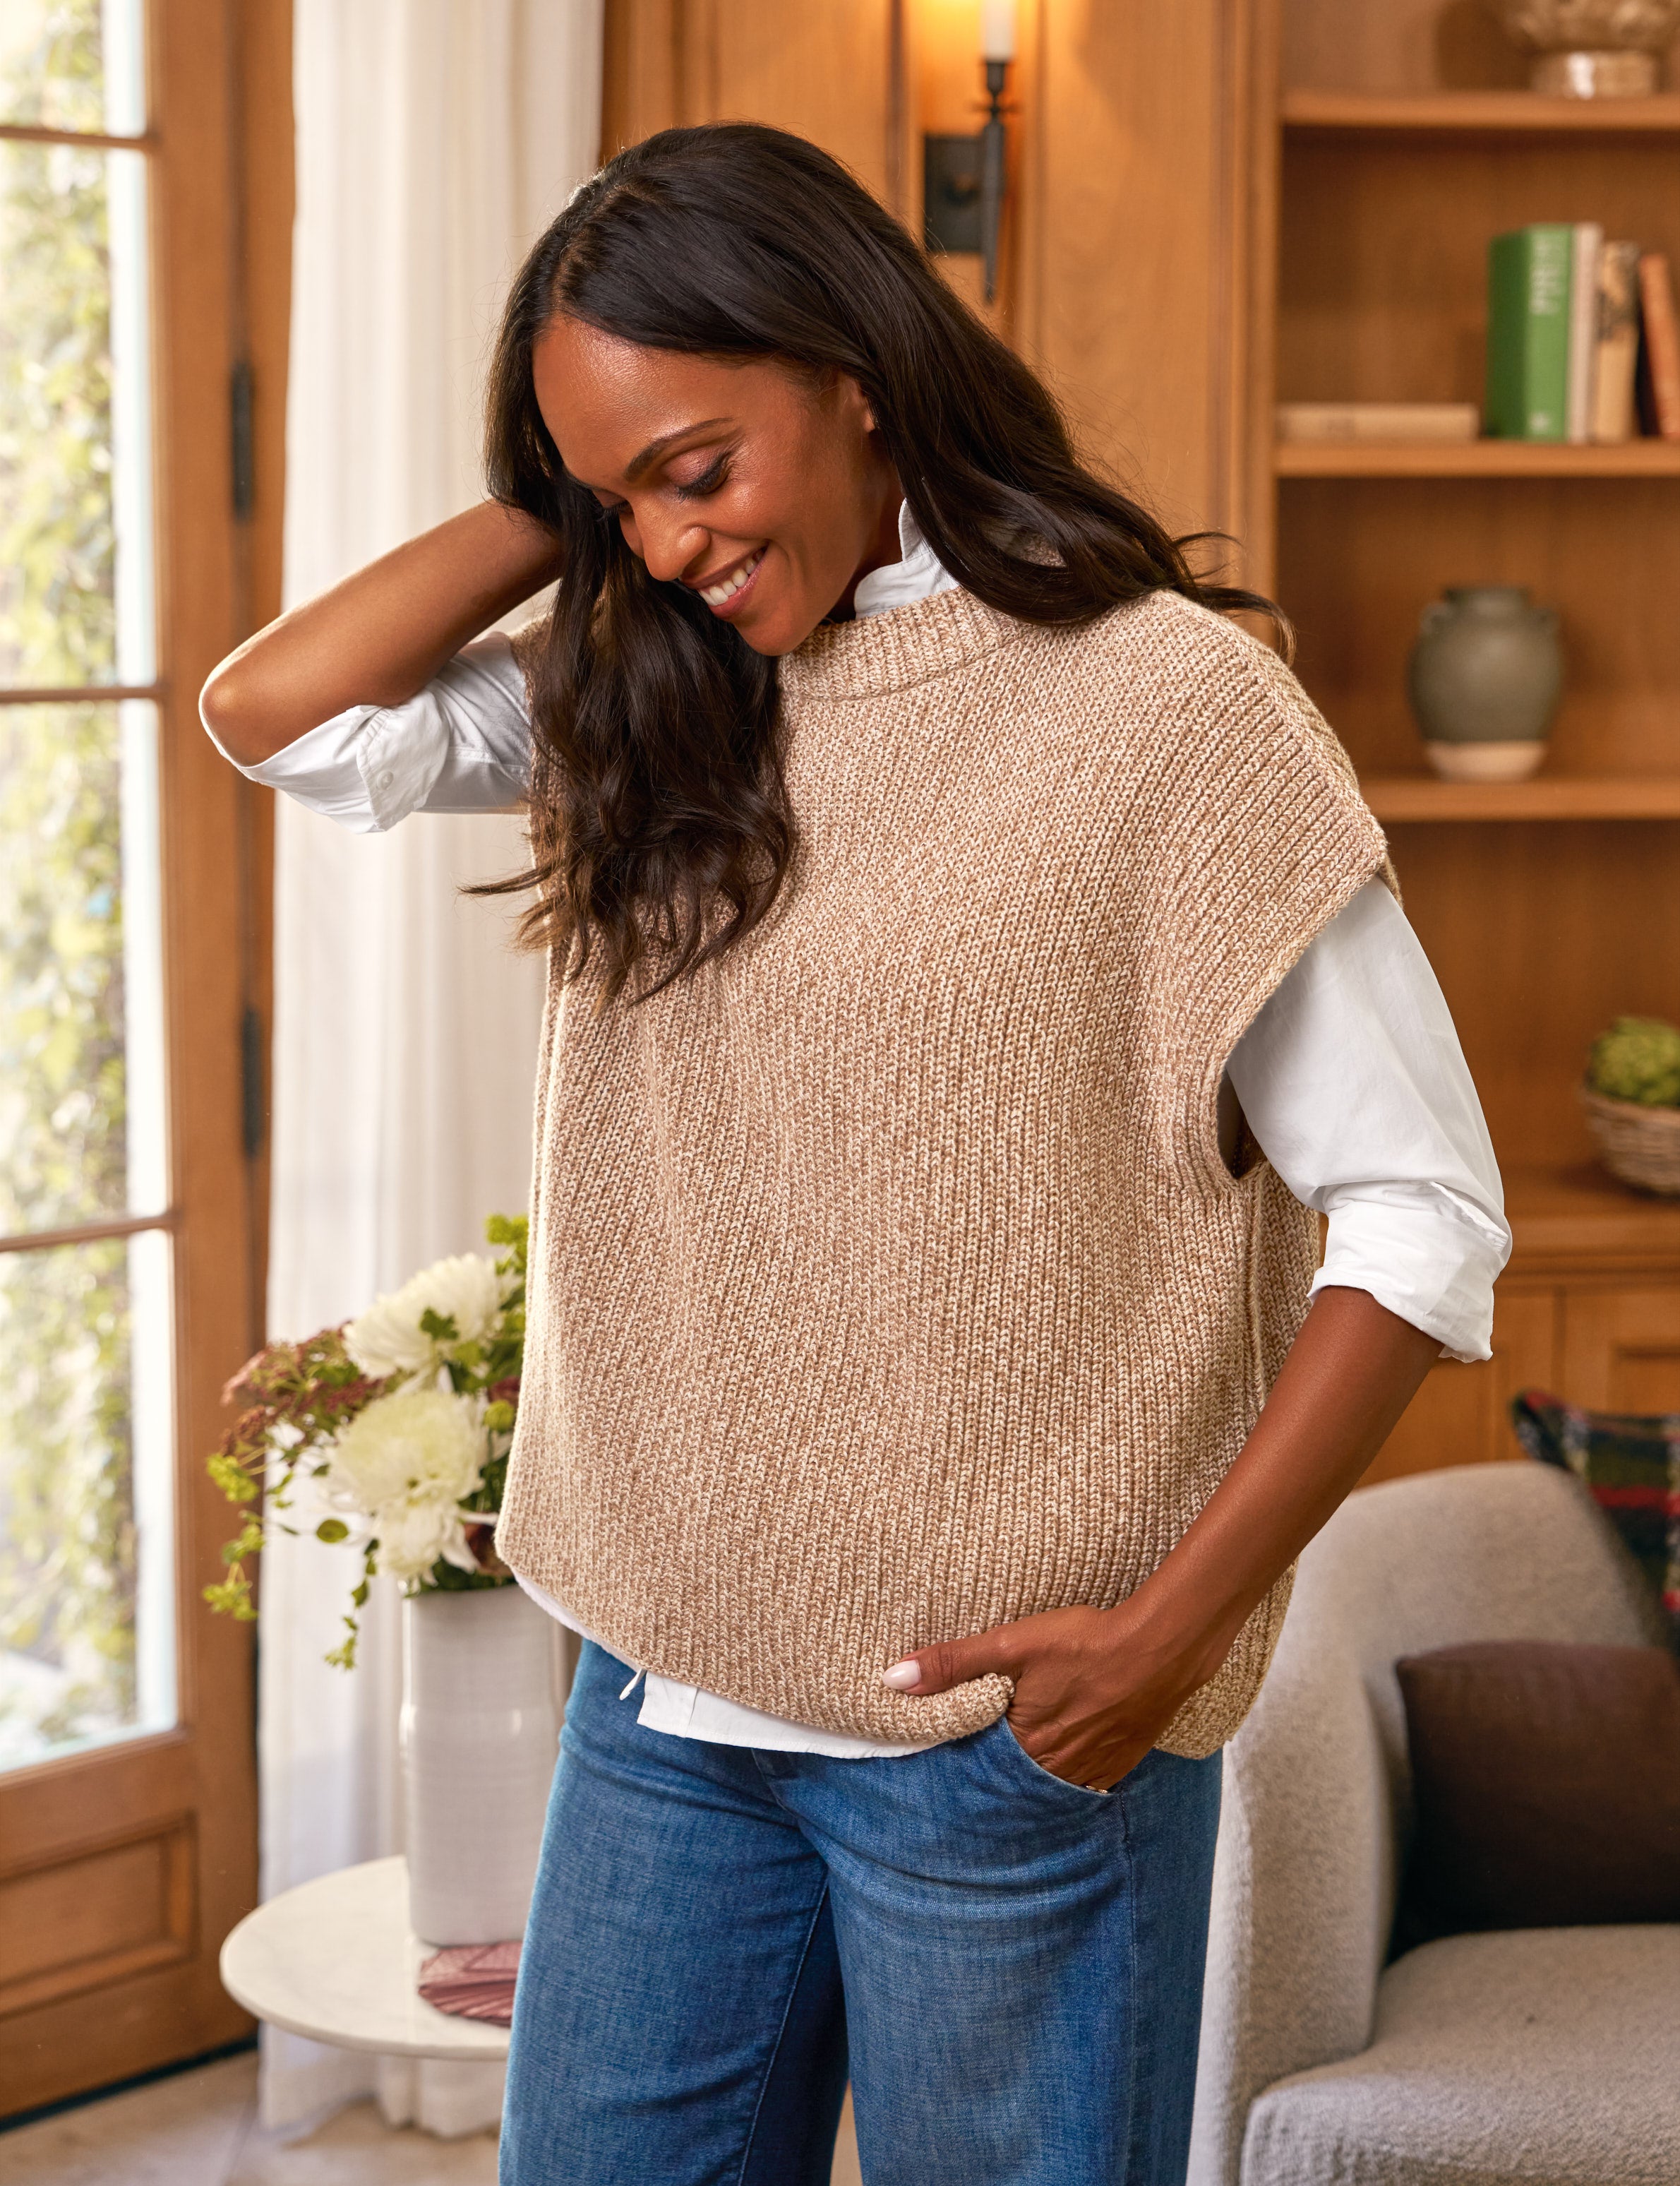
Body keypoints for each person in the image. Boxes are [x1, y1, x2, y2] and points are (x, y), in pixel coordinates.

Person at [202, 123, 1509, 2186]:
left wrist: (1166, 1633)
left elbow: (1425, 1218)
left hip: (1002, 1741)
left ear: (857, 370)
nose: (662, 547)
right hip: (660, 1706)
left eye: (695, 469)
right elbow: (278, 713)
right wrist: (578, 494)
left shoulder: (1169, 714)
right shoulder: (653, 694)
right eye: (610, 500)